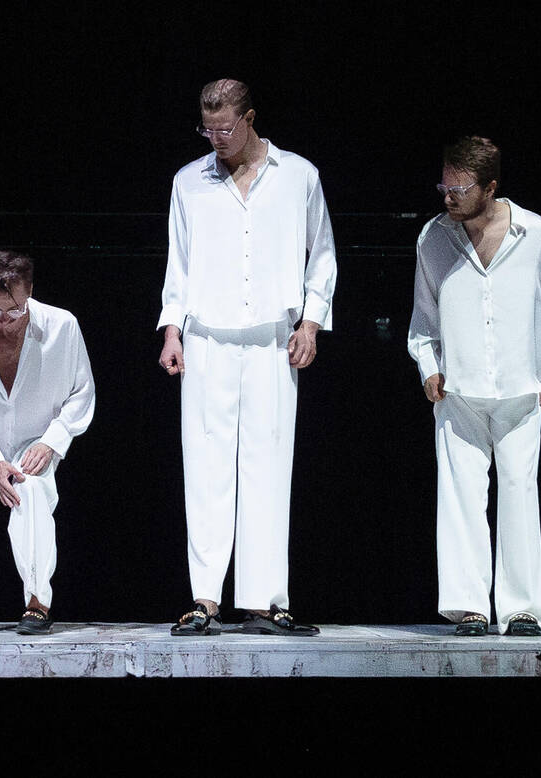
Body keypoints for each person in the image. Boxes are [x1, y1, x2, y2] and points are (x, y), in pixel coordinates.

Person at [156, 79, 336, 636]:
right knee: (206, 468)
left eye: (225, 129)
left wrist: (310, 321)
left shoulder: (299, 176)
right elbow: (178, 265)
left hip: (271, 340)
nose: (216, 139)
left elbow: (322, 256)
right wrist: (171, 331)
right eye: (207, 130)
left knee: (267, 466)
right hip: (206, 336)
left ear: (251, 118)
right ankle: (204, 599)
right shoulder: (189, 181)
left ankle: (263, 600)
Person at [407, 136, 541, 637]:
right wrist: (428, 366)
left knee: (521, 494)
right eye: (445, 185)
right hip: (458, 391)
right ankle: (470, 607)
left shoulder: (536, 233)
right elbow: (423, 320)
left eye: (459, 188)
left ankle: (522, 608)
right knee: (459, 497)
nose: (448, 197)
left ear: (490, 187)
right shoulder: (434, 238)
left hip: (522, 392)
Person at [0, 250, 96, 635]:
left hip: (34, 442)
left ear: (29, 293)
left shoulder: (62, 326)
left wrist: (53, 442)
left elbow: (82, 392)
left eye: (15, 311)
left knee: (34, 488)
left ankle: (37, 603)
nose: (5, 321)